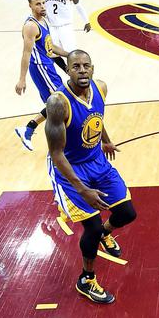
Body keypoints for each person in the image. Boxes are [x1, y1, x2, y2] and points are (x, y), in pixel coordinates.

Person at [41, 50, 134, 304]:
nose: (82, 70)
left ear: (92, 68)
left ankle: (107, 232)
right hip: (69, 169)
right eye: (76, 67)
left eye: (86, 66)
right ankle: (86, 279)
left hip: (97, 162)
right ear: (68, 70)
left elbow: (96, 118)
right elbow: (56, 154)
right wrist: (82, 189)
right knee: (91, 227)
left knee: (126, 213)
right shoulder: (58, 103)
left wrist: (106, 140)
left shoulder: (101, 88)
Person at [14, 0, 71, 151]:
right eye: (38, 4)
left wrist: (69, 54)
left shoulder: (43, 21)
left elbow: (50, 46)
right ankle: (59, 144)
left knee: (57, 105)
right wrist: (22, 79)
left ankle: (29, 129)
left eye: (43, 2)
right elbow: (26, 53)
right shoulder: (31, 26)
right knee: (60, 101)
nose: (42, 6)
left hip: (47, 65)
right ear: (30, 6)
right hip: (40, 67)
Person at [38, 0, 91, 69]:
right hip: (51, 25)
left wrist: (86, 21)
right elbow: (38, 4)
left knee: (72, 53)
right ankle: (66, 70)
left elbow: (78, 5)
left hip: (65, 26)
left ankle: (76, 73)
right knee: (52, 52)